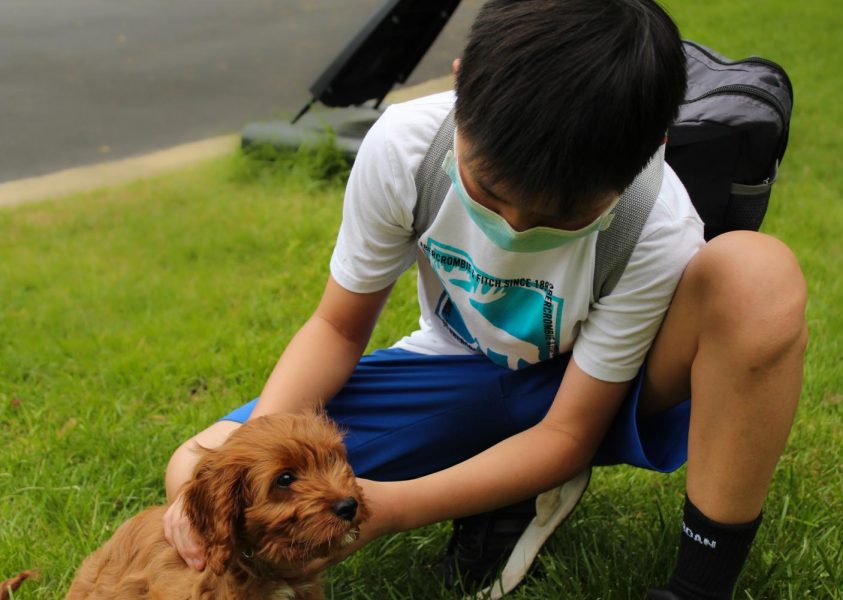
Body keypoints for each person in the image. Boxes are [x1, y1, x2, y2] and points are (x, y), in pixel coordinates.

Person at [163, 1, 808, 598]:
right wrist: (260, 449)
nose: (519, 227)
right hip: (463, 373)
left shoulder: (655, 224)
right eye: (491, 191)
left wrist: (393, 509)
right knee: (194, 468)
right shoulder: (407, 148)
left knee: (757, 276)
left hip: (608, 395)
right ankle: (498, 488)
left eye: (563, 213)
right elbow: (336, 328)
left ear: (653, 150)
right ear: (460, 87)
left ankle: (697, 587)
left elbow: (567, 431)